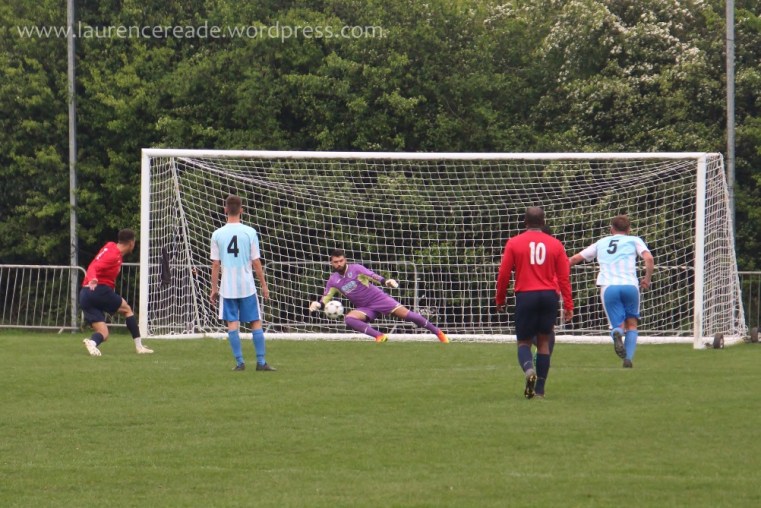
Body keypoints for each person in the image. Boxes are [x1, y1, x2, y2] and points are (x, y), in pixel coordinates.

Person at [495, 207, 573, 399]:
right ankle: (540, 390)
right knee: (544, 342)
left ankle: (529, 369)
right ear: (543, 222)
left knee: (524, 342)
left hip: (526, 295)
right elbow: (564, 278)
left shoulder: (514, 242)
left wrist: (500, 298)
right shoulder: (555, 244)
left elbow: (504, 273)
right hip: (549, 295)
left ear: (525, 222)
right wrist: (568, 305)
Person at [309, 249, 450, 343]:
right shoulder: (333, 280)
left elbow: (372, 276)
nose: (339, 264)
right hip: (365, 308)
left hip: (379, 299)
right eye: (336, 262)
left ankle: (438, 333)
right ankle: (379, 336)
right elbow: (326, 298)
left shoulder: (356, 269)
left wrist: (386, 281)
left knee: (408, 315)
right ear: (331, 263)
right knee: (349, 319)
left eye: (341, 260)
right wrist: (318, 304)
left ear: (345, 260)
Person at [569, 214, 654, 368]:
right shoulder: (634, 240)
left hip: (609, 287)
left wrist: (557, 271)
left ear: (611, 229)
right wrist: (647, 279)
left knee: (618, 326)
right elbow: (649, 259)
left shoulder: (601, 242)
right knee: (632, 324)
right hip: (630, 286)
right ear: (628, 229)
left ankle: (617, 333)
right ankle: (628, 359)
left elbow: (575, 259)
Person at [210, 194, 275, 371]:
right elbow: (256, 262)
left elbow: (215, 264)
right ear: (242, 210)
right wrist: (264, 285)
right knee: (255, 321)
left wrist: (214, 288)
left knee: (232, 323)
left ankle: (240, 363)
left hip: (228, 288)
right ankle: (261, 362)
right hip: (247, 286)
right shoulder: (250, 232)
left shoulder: (217, 234)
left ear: (225, 210)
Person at [81, 229, 153, 356]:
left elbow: (95, 263)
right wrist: (93, 278)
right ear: (131, 243)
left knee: (104, 333)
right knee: (127, 310)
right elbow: (93, 266)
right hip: (99, 290)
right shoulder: (113, 255)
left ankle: (91, 343)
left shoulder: (110, 246)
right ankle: (139, 347)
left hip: (85, 294)